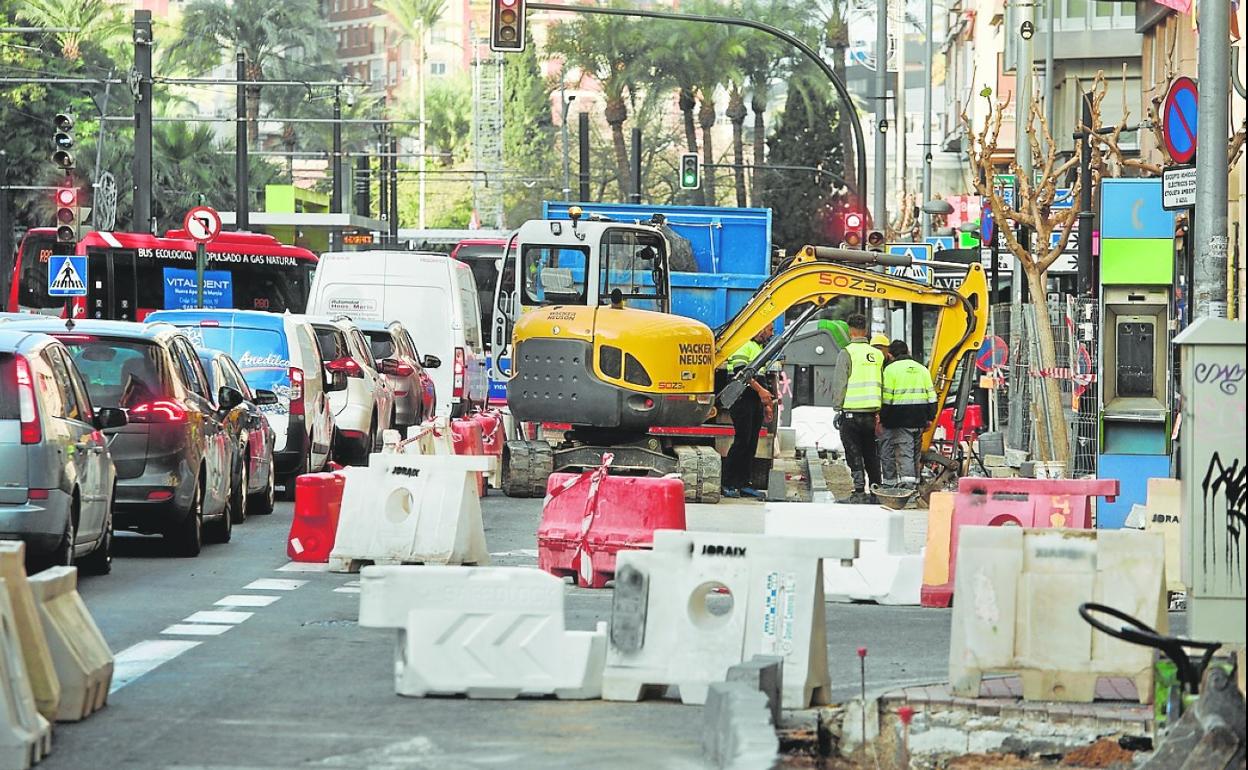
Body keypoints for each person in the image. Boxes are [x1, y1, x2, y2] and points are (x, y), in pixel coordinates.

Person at [830, 313, 884, 503]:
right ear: (866, 331)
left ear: (850, 331)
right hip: (871, 415)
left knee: (854, 452)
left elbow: (840, 384)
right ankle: (876, 490)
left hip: (851, 414)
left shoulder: (847, 353)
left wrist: (838, 408)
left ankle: (859, 491)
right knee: (871, 453)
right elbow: (882, 384)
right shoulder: (877, 355)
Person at [722, 326, 775, 499]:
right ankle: (728, 482)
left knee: (751, 443)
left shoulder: (759, 349)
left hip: (754, 401)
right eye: (769, 329)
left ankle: (744, 483)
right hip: (741, 399)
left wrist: (767, 405)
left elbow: (762, 378)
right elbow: (740, 372)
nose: (771, 333)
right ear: (760, 330)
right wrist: (761, 392)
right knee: (742, 441)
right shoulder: (743, 345)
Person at [880, 339, 938, 487]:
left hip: (900, 419)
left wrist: (882, 418)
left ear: (891, 355)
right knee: (914, 454)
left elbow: (887, 398)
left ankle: (908, 489)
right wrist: (930, 418)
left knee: (905, 454)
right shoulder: (921, 369)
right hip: (920, 418)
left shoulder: (890, 370)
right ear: (908, 352)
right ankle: (916, 486)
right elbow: (932, 396)